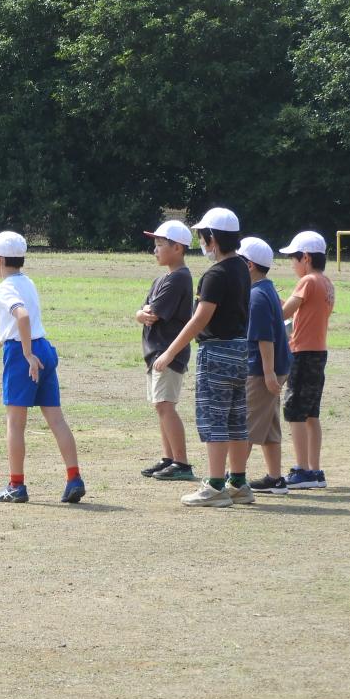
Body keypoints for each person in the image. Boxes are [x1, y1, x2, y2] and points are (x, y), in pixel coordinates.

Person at [0, 231, 85, 504]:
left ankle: (16, 485)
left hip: (24, 354)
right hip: (44, 346)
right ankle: (74, 478)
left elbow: (20, 317)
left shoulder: (4, 287)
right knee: (56, 419)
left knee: (15, 423)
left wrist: (26, 354)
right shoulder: (27, 282)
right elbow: (16, 325)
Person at [152, 207, 252, 508]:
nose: (201, 242)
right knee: (235, 418)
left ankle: (216, 486)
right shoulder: (242, 269)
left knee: (214, 418)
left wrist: (170, 351)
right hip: (240, 349)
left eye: (203, 236)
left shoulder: (215, 274)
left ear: (212, 238)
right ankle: (238, 482)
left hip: (217, 351)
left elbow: (199, 319)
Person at [136, 219, 195, 482]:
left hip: (167, 351)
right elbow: (144, 310)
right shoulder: (162, 278)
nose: (155, 250)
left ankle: (181, 462)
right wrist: (142, 314)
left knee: (165, 405)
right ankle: (168, 457)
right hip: (155, 352)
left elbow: (154, 313)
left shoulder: (179, 278)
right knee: (160, 406)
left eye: (161, 245)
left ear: (178, 248)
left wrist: (145, 313)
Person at [278, 230, 335, 489]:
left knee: (294, 411)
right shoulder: (326, 282)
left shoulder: (308, 281)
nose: (292, 264)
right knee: (311, 413)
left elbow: (284, 313)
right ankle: (315, 470)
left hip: (303, 352)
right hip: (319, 351)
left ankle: (301, 470)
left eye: (294, 258)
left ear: (307, 258)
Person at [238, 237, 292, 495]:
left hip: (261, 370)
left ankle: (232, 478)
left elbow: (265, 337)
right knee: (269, 425)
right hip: (274, 367)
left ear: (249, 265)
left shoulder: (256, 296)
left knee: (246, 425)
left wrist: (268, 373)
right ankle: (275, 478)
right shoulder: (268, 288)